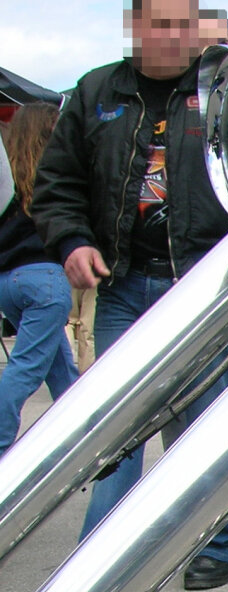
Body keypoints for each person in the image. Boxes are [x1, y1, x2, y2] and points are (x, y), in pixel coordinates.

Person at [32, 0, 228, 589]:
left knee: (201, 425)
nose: (171, 36)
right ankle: (97, 562)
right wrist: (73, 240)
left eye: (182, 24)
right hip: (124, 284)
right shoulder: (96, 90)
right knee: (117, 428)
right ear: (134, 28)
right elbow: (57, 184)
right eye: (159, 24)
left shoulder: (226, 89)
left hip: (205, 289)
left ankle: (217, 545)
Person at [0, 104, 80, 456]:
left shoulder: (7, 179)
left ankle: (83, 438)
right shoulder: (56, 175)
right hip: (46, 278)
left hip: (8, 282)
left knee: (61, 370)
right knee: (26, 369)